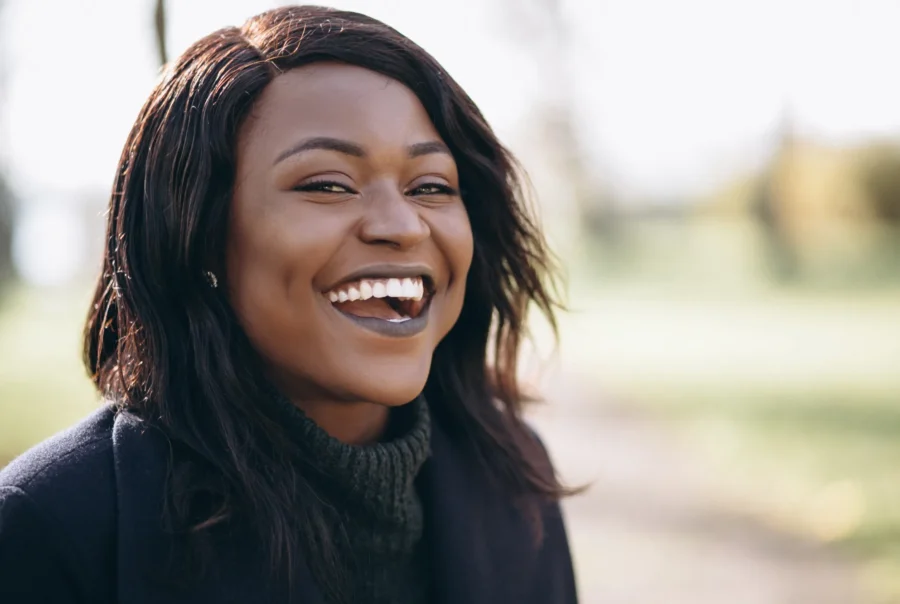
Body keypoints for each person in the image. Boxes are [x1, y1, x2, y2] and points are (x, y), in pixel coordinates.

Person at [0, 6, 578, 603]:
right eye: (327, 185)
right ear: (196, 232)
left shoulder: (515, 480)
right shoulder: (49, 527)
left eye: (430, 186)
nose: (403, 225)